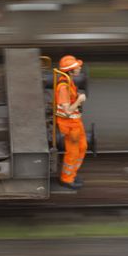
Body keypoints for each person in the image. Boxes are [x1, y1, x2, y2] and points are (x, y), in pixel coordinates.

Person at [55, 55, 87, 189]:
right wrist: (79, 100)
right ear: (70, 71)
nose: (79, 68)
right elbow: (67, 111)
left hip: (75, 122)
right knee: (72, 152)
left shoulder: (69, 81)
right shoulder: (63, 87)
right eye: (76, 67)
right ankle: (66, 179)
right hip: (69, 124)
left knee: (83, 147)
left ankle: (72, 173)